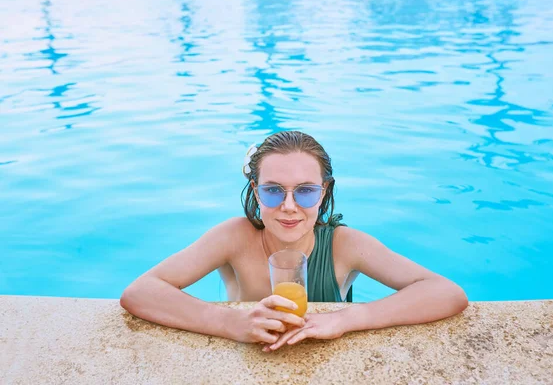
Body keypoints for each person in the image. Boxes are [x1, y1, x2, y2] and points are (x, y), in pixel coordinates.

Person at [120, 130, 468, 352]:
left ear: (324, 191)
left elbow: (446, 292)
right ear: (256, 191)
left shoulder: (344, 246)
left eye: (305, 191)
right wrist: (232, 323)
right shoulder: (234, 238)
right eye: (273, 191)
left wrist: (347, 318)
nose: (288, 207)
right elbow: (141, 292)